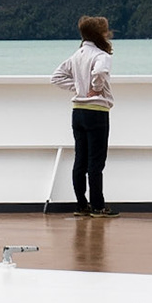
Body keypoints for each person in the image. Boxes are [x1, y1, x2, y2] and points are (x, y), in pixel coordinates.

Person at [51, 15, 117, 216]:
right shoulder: (101, 55)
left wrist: (78, 88)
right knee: (96, 162)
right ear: (100, 34)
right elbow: (100, 72)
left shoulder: (77, 55)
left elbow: (56, 77)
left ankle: (81, 204)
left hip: (78, 111)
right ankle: (98, 206)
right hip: (96, 112)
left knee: (80, 159)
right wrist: (94, 88)